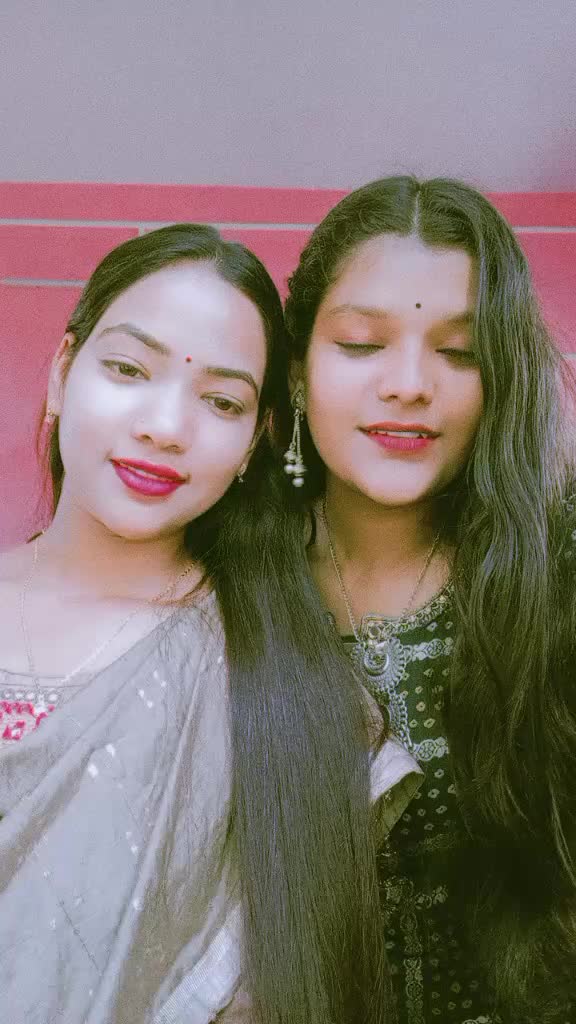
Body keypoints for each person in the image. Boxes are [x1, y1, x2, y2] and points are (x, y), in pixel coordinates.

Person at [0, 223, 421, 1024]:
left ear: (256, 439)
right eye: (128, 369)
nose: (166, 426)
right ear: (61, 373)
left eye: (221, 401)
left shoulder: (277, 678)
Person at [282, 176, 576, 1024]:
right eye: (362, 344)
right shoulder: (218, 590)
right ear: (297, 373)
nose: (409, 384)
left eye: (460, 352)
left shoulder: (554, 580)